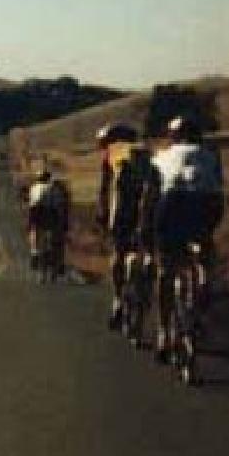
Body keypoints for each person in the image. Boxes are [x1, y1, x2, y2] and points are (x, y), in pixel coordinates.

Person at [149, 115, 224, 363]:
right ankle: (203, 291)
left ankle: (164, 331)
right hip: (207, 205)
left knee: (166, 270)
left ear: (173, 136)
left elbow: (151, 192)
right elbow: (218, 188)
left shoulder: (162, 155)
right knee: (204, 252)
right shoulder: (211, 155)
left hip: (173, 204)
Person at [95, 122, 153, 330]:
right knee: (150, 250)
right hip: (150, 205)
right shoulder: (146, 152)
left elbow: (105, 188)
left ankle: (118, 299)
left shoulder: (112, 153)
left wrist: (101, 214)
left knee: (118, 252)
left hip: (123, 209)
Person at [26, 169, 67, 270]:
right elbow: (60, 205)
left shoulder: (34, 187)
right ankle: (59, 260)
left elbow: (32, 202)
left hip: (36, 211)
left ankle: (34, 253)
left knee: (33, 231)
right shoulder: (54, 188)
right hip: (51, 213)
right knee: (57, 234)